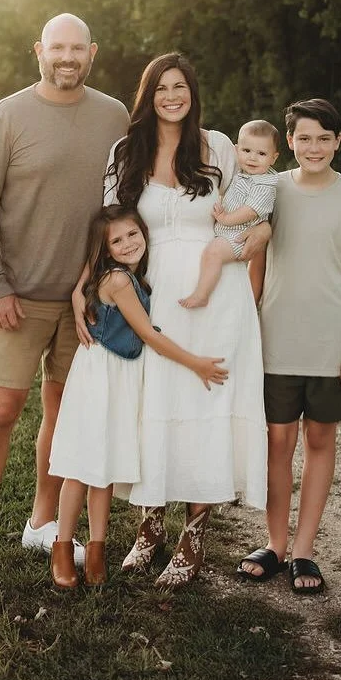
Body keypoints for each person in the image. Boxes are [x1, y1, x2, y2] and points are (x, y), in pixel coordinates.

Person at [0, 14, 129, 598]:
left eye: (78, 47)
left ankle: (41, 521)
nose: (67, 56)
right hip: (17, 299)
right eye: (58, 47)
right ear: (39, 51)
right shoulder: (5, 117)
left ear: (92, 52)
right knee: (0, 412)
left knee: (63, 416)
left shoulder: (114, 116)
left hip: (85, 301)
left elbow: (120, 205)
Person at [79, 52, 270, 589]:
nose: (171, 96)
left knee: (206, 403)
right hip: (151, 290)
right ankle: (149, 527)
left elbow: (255, 212)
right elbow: (107, 230)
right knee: (152, 403)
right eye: (162, 87)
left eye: (180, 85)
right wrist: (83, 287)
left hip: (217, 294)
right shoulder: (126, 151)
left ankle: (194, 537)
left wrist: (261, 238)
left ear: (193, 92)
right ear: (148, 93)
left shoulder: (218, 147)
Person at [238, 98, 341, 595]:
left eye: (324, 138)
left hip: (328, 346)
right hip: (277, 343)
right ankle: (275, 545)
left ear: (338, 142)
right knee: (278, 442)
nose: (314, 147)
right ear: (288, 142)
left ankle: (304, 550)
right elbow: (254, 260)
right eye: (304, 138)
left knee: (320, 442)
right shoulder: (271, 190)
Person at [47, 205, 229, 589]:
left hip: (118, 375)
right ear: (105, 249)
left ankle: (96, 549)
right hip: (102, 377)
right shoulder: (118, 281)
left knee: (105, 468)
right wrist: (196, 363)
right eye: (117, 240)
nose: (128, 243)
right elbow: (149, 335)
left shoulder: (127, 276)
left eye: (133, 234)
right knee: (82, 467)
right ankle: (62, 548)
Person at [178, 119, 281, 311]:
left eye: (261, 153)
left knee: (213, 253)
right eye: (247, 151)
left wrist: (225, 218)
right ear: (236, 149)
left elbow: (250, 211)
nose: (252, 158)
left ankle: (202, 295)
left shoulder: (264, 184)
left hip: (239, 235)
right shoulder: (241, 174)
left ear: (273, 158)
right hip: (227, 232)